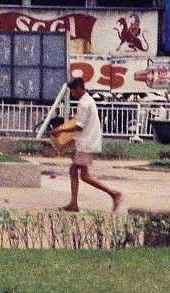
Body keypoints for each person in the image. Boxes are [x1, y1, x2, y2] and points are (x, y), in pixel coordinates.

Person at [51, 77, 122, 212]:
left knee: (81, 174)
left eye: (72, 91)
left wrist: (60, 129)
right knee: (78, 173)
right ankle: (74, 203)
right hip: (87, 142)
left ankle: (113, 193)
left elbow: (79, 126)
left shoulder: (84, 103)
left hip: (87, 144)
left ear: (78, 89)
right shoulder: (87, 101)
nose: (72, 94)